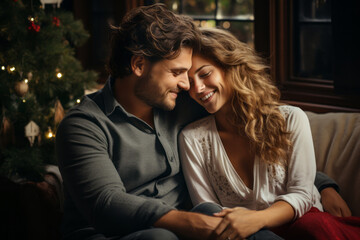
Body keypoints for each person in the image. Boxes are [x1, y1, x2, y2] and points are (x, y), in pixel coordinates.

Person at [56, 4, 349, 240]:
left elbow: (254, 128)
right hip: (111, 232)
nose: (188, 85)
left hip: (187, 225)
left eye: (191, 73)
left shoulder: (179, 103)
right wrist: (187, 221)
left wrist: (321, 183)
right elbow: (105, 203)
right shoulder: (82, 125)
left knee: (247, 229)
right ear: (139, 65)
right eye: (177, 72)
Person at [179, 27, 360, 240]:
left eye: (205, 73)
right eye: (189, 82)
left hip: (304, 227)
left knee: (312, 226)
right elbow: (207, 212)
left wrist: (257, 219)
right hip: (241, 237)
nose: (197, 88)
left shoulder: (292, 119)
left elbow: (303, 195)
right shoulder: (192, 138)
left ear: (231, 67)